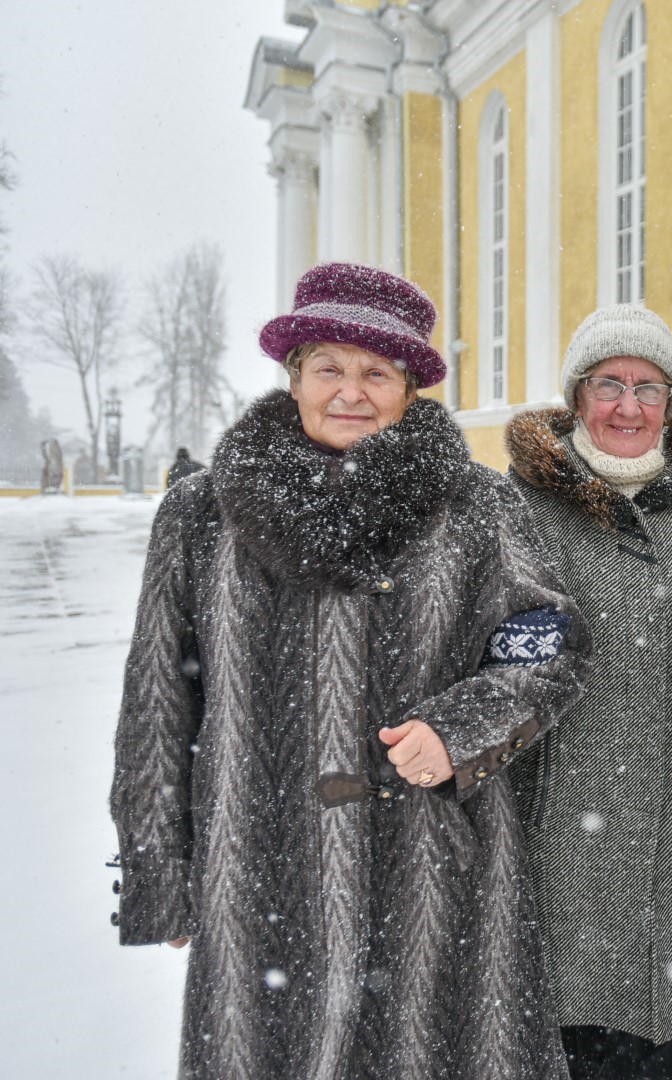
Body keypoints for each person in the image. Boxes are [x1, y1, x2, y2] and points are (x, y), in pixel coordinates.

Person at [109, 262, 591, 1080]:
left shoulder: (477, 506)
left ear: (409, 388)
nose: (351, 391)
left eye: (377, 372)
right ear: (294, 376)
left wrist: (462, 729)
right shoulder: (200, 514)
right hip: (256, 875)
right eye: (329, 367)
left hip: (439, 872)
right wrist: (162, 865)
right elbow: (158, 698)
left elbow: (550, 641)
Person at [503, 304, 672, 1080]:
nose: (628, 407)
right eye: (608, 384)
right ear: (577, 396)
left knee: (664, 1041)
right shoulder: (517, 505)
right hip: (559, 822)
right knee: (565, 1040)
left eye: (651, 389)